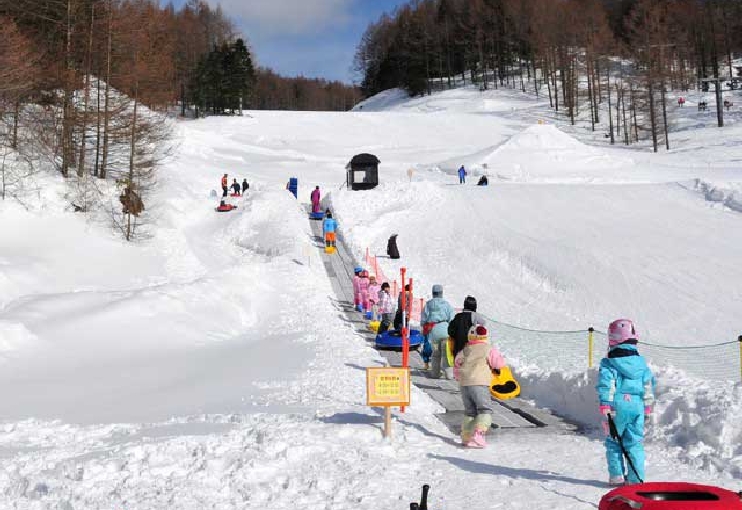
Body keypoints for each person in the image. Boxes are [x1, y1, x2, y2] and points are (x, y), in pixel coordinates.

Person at [597, 319, 655, 486]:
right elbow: (648, 386)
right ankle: (635, 480)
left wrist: (605, 404)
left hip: (617, 406)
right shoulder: (642, 365)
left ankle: (617, 477)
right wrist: (647, 408)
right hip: (637, 406)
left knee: (614, 441)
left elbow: (607, 384)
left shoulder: (609, 363)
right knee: (634, 443)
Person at [454, 324, 506, 448]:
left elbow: (457, 364)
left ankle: (466, 437)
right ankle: (479, 433)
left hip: (464, 383)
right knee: (484, 409)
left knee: (470, 411)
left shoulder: (465, 350)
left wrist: (458, 377)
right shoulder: (488, 348)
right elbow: (498, 363)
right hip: (479, 383)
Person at [421, 284, 456, 376]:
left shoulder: (428, 304)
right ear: (441, 293)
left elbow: (423, 319)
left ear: (433, 293)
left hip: (434, 332)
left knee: (435, 353)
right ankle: (449, 374)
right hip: (445, 330)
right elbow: (452, 318)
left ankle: (435, 373)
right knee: (446, 353)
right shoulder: (446, 304)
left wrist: (424, 325)